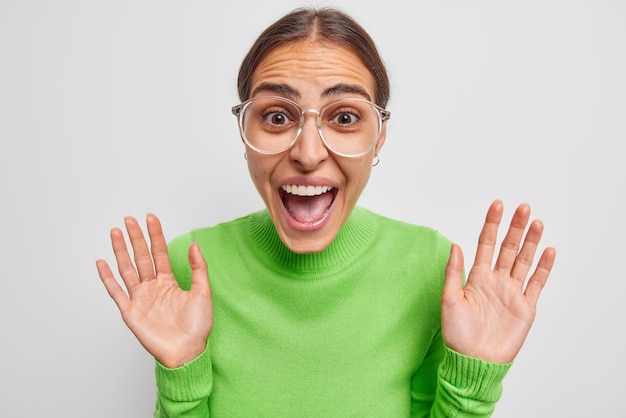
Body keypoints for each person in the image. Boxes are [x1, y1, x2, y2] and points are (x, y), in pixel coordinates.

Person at [96, 7, 556, 417]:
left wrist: (472, 387)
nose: (309, 153)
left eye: (345, 117)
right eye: (277, 117)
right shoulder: (187, 268)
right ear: (244, 132)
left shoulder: (432, 267)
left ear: (379, 137)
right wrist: (180, 373)